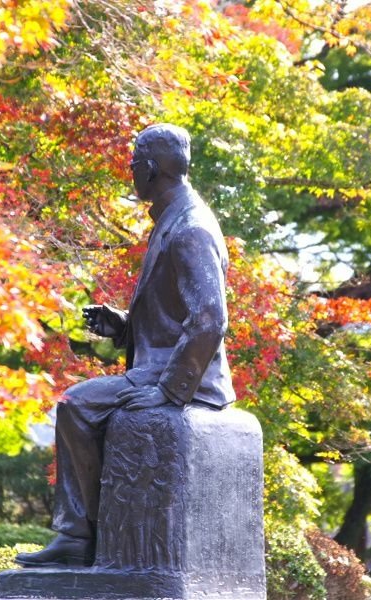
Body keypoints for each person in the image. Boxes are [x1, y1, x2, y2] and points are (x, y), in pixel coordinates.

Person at [15, 123, 235, 568]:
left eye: (134, 165)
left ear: (151, 169)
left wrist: (171, 391)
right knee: (81, 402)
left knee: (77, 404)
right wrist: (124, 325)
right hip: (159, 364)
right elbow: (179, 315)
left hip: (183, 380)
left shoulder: (189, 227)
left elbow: (210, 319)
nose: (130, 172)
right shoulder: (171, 219)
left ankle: (79, 537)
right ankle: (82, 537)